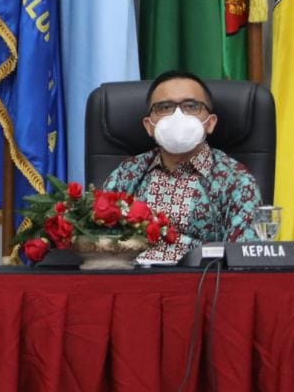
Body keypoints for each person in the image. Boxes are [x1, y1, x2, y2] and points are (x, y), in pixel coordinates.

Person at [103, 70, 260, 261]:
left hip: (204, 278)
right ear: (149, 126)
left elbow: (243, 259)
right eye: (165, 107)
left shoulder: (236, 180)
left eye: (191, 106)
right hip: (133, 276)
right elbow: (99, 242)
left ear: (210, 123)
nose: (178, 115)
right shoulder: (127, 174)